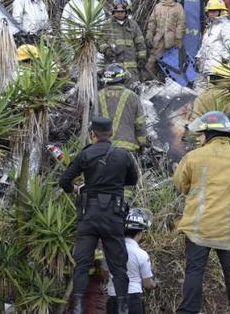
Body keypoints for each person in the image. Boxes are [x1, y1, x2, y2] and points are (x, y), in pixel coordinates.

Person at [173, 111, 230, 314]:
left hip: (199, 228)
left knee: (194, 272)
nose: (199, 138)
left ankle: (188, 311)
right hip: (229, 228)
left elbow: (181, 185)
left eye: (201, 135)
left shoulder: (194, 156)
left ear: (209, 134)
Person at [59, 116, 139, 314]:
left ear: (93, 134)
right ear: (111, 133)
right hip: (113, 216)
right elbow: (132, 180)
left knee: (82, 264)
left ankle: (77, 307)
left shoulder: (86, 154)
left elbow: (64, 181)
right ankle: (122, 307)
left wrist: (74, 189)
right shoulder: (123, 155)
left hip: (89, 216)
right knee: (118, 266)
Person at [105, 208, 157, 314]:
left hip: (113, 299)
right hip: (132, 299)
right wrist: (154, 284)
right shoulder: (141, 254)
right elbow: (147, 283)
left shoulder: (110, 251)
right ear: (140, 232)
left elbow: (105, 273)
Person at [98, 64, 148, 152]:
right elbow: (140, 123)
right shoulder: (132, 96)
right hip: (126, 147)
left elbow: (93, 121)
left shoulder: (98, 95)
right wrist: (143, 143)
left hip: (102, 147)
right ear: (123, 79)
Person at [194, 0, 230, 92]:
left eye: (214, 11)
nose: (211, 14)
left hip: (218, 69)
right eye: (210, 11)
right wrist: (198, 57)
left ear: (221, 11)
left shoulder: (226, 26)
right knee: (200, 91)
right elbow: (204, 45)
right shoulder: (211, 27)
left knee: (216, 94)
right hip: (206, 67)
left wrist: (225, 61)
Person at [100, 0, 147, 84]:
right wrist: (106, 50)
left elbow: (140, 43)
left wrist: (142, 58)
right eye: (117, 12)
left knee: (133, 92)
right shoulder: (107, 25)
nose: (119, 14)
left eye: (122, 11)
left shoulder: (133, 25)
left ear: (126, 12)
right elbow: (100, 41)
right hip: (113, 69)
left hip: (131, 70)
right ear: (113, 12)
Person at [144, 0, 185, 78]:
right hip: (158, 40)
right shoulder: (158, 7)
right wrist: (149, 35)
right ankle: (149, 80)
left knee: (170, 63)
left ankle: (169, 82)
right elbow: (152, 22)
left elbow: (181, 23)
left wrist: (178, 39)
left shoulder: (178, 7)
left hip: (172, 41)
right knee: (151, 62)